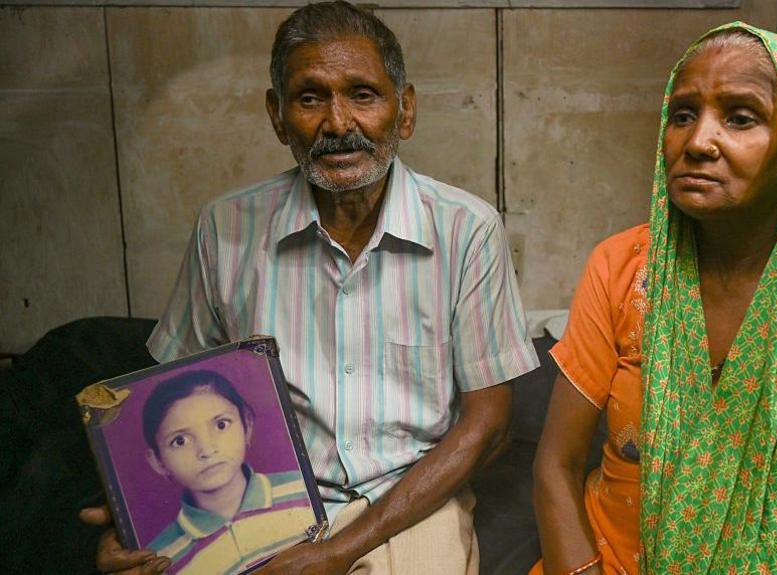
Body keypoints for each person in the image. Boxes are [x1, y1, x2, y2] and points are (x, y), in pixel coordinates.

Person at [79, 2, 539, 574]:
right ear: (277, 116)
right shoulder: (224, 230)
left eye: (364, 95)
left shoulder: (467, 230)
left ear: (406, 110)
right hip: (258, 505)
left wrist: (335, 553)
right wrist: (135, 518)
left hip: (411, 502)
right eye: (309, 98)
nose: (339, 123)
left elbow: (488, 425)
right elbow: (173, 399)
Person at [532, 22, 777, 575]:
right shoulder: (622, 268)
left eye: (741, 117)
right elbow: (556, 465)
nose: (697, 142)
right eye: (683, 114)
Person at [142, 370, 313, 574]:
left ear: (247, 424)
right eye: (180, 441)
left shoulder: (302, 491)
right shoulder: (160, 558)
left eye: (221, 425)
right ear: (158, 461)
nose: (206, 450)